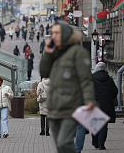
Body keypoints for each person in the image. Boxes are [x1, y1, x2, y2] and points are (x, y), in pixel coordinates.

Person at [39, 21, 95, 153]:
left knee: (65, 143)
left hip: (71, 106)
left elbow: (86, 80)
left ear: (65, 34)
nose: (54, 36)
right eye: (52, 33)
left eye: (57, 33)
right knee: (60, 146)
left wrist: (89, 101)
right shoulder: (54, 53)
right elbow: (44, 73)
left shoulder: (78, 53)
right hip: (54, 107)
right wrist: (47, 53)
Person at [92, 62, 117, 150]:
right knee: (103, 125)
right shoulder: (109, 79)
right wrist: (109, 98)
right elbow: (115, 91)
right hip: (107, 104)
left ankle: (95, 142)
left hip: (95, 104)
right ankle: (101, 144)